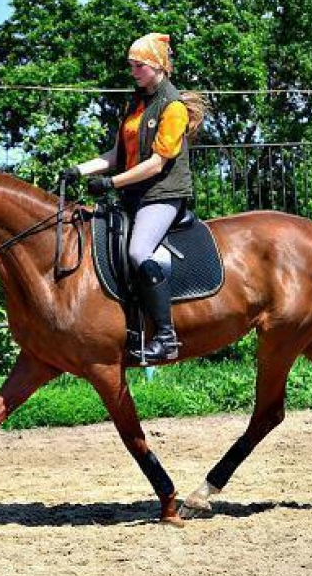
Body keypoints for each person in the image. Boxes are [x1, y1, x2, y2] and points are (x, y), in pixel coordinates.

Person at [63, 32, 206, 363]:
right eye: (131, 65)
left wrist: (112, 183)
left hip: (162, 194)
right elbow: (116, 153)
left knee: (139, 250)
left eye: (138, 65)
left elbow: (157, 163)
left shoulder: (173, 108)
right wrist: (79, 170)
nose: (133, 71)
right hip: (134, 194)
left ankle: (167, 337)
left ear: (156, 65)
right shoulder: (135, 102)